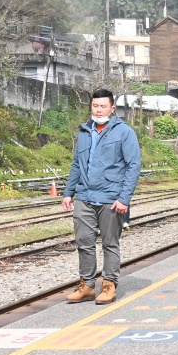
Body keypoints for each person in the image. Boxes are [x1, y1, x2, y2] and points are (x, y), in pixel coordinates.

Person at [62, 88, 142, 304]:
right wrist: (69, 192)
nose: (98, 110)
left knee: (110, 243)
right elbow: (77, 163)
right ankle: (87, 286)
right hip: (84, 196)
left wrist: (124, 198)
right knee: (84, 242)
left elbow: (133, 165)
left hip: (111, 198)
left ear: (112, 108)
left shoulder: (124, 132)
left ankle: (108, 285)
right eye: (95, 106)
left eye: (103, 106)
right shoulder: (84, 131)